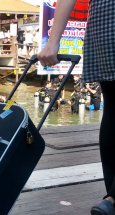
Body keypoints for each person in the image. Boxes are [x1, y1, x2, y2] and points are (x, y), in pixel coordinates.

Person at [38, 1, 115, 214]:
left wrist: (53, 42)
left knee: (113, 106)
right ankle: (113, 198)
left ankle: (111, 198)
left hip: (104, 19)